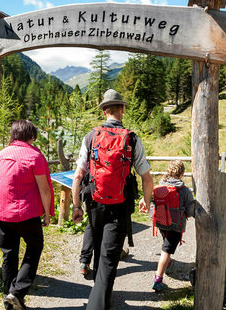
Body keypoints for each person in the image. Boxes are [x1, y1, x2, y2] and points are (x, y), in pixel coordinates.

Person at [72, 89, 154, 310]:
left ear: (105, 110)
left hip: (94, 203)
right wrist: (146, 202)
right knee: (109, 257)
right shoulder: (131, 138)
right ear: (122, 109)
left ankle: (102, 298)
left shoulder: (90, 137)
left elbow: (78, 175)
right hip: (119, 205)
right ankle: (97, 305)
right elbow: (146, 177)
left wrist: (76, 206)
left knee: (100, 249)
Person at [0, 120, 55, 310]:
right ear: (32, 136)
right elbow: (44, 189)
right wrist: (47, 213)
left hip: (1, 213)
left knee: (8, 254)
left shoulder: (1, 155)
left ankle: (8, 301)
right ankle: (17, 292)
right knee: (35, 247)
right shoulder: (35, 156)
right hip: (26, 214)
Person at [150, 160, 196, 292]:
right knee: (167, 250)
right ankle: (158, 279)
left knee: (166, 243)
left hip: (161, 222)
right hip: (176, 225)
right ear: (182, 173)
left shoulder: (161, 185)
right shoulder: (184, 190)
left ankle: (167, 263)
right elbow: (190, 208)